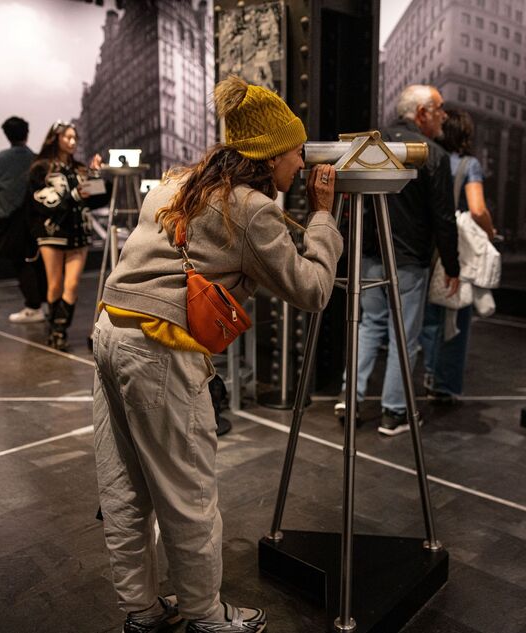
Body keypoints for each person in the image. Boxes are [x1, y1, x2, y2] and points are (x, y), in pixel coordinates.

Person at [92, 75, 341, 633]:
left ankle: (141, 611)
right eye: (296, 152)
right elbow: (313, 289)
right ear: (271, 153)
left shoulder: (177, 183)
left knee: (125, 483)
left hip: (110, 331)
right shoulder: (252, 210)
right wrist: (323, 215)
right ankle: (205, 615)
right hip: (159, 349)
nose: (301, 164)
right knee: (187, 490)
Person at [335, 84, 459, 436]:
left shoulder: (368, 145)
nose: (443, 117)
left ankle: (350, 400)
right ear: (421, 113)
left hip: (368, 254)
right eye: (439, 109)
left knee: (367, 326)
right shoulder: (432, 154)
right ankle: (394, 412)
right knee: (404, 335)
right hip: (408, 260)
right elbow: (444, 218)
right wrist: (452, 266)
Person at [420, 109, 496, 404]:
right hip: (454, 247)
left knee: (428, 317)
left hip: (424, 245)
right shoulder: (468, 164)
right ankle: (444, 384)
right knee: (455, 312)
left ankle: (426, 372)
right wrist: (490, 232)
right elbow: (477, 209)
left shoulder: (426, 156)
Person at [28, 121, 108, 350]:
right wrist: (75, 194)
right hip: (53, 231)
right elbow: (44, 203)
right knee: (54, 285)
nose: (72, 142)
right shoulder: (40, 169)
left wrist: (94, 175)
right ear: (56, 138)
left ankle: (59, 330)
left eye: (75, 138)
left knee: (71, 285)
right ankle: (54, 330)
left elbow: (95, 199)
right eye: (68, 137)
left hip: (78, 231)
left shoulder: (80, 169)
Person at [0, 116, 45, 323]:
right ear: (26, 134)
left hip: (9, 220)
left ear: (6, 135)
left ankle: (33, 306)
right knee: (37, 260)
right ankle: (39, 303)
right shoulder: (38, 159)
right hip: (34, 219)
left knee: (21, 262)